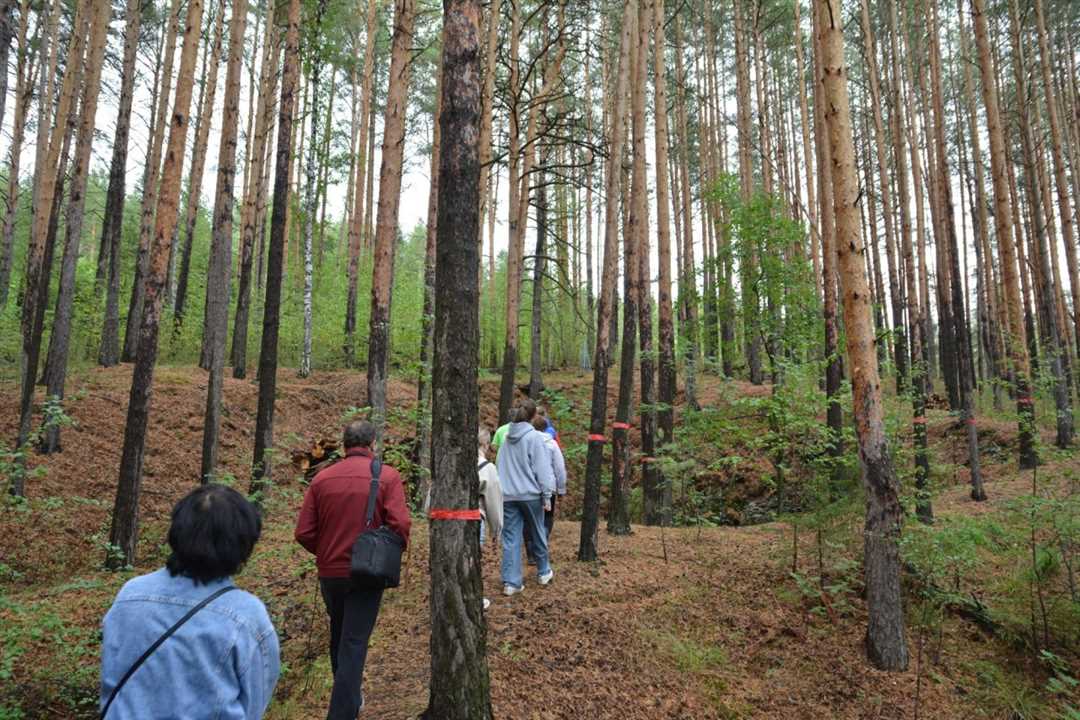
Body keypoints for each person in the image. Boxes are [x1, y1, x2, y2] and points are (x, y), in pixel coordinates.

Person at [100, 485, 280, 720]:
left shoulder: (131, 594)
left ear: (177, 532)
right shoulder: (246, 615)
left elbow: (112, 679)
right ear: (243, 546)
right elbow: (254, 702)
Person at [295, 420, 412, 719]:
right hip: (367, 572)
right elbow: (400, 525)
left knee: (340, 634)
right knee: (354, 641)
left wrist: (326, 553)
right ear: (372, 442)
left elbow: (304, 531)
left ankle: (349, 697)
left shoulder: (321, 479)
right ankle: (343, 712)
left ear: (344, 444)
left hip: (330, 573)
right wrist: (387, 551)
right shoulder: (387, 476)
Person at [496, 399, 555, 596]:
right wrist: (547, 494)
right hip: (530, 494)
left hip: (508, 495)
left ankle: (512, 582)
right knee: (538, 531)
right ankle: (544, 571)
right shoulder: (535, 438)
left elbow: (499, 465)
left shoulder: (505, 440)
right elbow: (543, 469)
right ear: (532, 416)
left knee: (511, 538)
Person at [525, 412, 567, 565]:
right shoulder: (552, 444)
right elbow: (559, 468)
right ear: (546, 427)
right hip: (549, 487)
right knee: (547, 517)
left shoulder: (526, 442)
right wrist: (561, 489)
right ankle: (541, 543)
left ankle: (530, 551)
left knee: (529, 519)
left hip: (529, 486)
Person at [477, 427, 503, 610]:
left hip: (445, 520)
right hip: (474, 519)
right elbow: (494, 502)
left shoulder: (449, 461)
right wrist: (496, 529)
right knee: (471, 559)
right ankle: (474, 596)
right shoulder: (488, 469)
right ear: (484, 444)